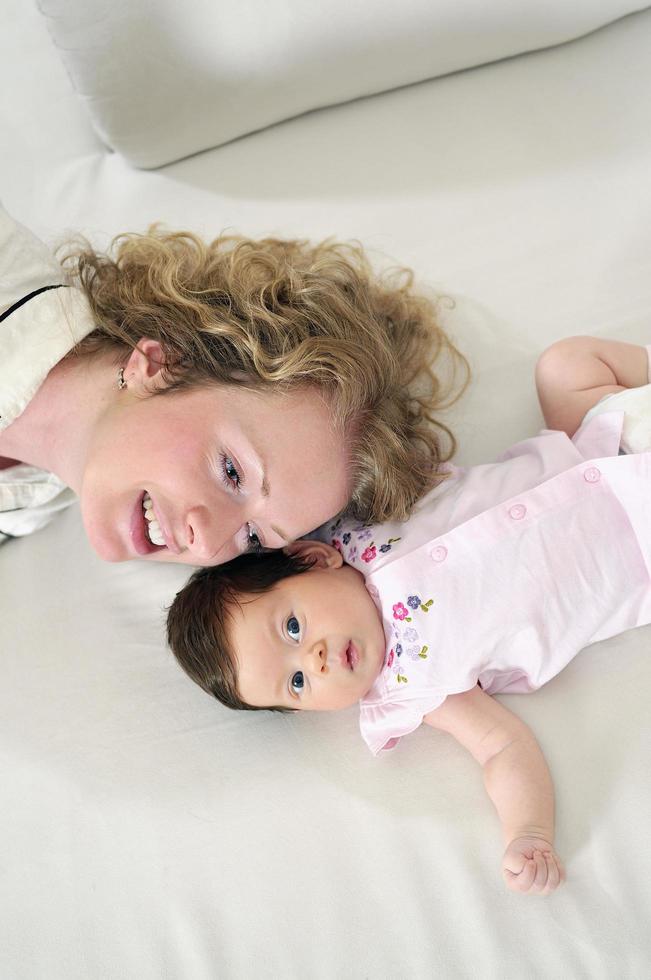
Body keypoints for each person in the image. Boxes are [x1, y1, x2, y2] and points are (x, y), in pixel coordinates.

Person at [167, 336, 651, 895]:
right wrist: (529, 831)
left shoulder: (354, 520)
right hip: (637, 545)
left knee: (565, 364)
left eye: (293, 628)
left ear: (310, 559)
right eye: (296, 682)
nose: (316, 659)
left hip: (596, 438)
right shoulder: (416, 686)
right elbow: (502, 748)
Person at [0, 203, 468, 561]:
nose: (205, 546)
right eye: (231, 472)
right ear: (161, 362)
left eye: (253, 539)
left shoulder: (28, 505)